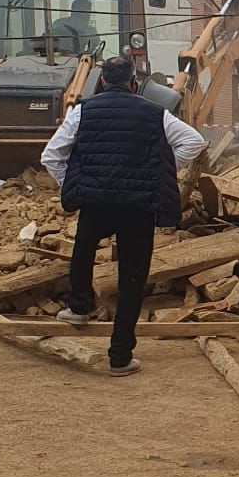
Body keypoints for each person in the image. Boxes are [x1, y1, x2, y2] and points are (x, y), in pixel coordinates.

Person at [40, 57, 208, 375]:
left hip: (96, 203)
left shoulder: (82, 111)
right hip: (137, 207)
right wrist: (161, 166)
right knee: (132, 278)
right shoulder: (155, 113)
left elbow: (51, 156)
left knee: (83, 249)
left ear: (102, 81)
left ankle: (78, 307)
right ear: (134, 83)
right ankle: (120, 357)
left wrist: (73, 182)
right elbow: (194, 142)